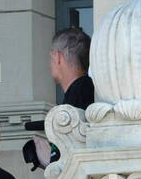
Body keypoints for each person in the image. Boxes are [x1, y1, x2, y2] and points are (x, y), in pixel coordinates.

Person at [27, 27, 94, 171]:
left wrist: (50, 159)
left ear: (57, 56)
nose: (49, 64)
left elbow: (75, 158)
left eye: (50, 58)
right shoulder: (84, 88)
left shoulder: (81, 90)